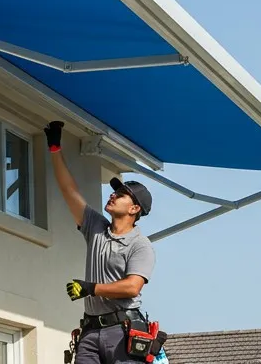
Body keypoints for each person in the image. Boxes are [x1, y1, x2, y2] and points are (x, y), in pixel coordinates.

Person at [45, 121, 157, 364]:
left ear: (134, 208)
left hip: (122, 331)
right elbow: (69, 190)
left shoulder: (140, 245)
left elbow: (132, 287)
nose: (113, 195)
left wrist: (90, 288)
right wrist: (55, 148)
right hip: (90, 331)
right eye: (115, 191)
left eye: (121, 194)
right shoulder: (96, 227)